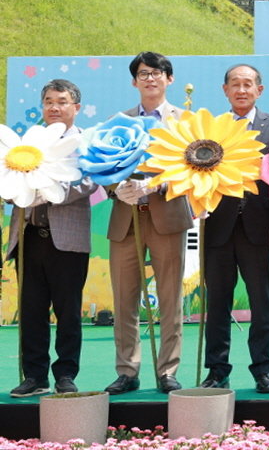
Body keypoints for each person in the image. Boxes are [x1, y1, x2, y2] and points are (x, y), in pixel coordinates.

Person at [200, 64, 269, 393]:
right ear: (225, 90)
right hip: (218, 228)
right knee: (217, 303)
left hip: (260, 227)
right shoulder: (211, 127)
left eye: (248, 84)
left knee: (261, 303)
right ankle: (217, 370)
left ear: (259, 90)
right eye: (235, 84)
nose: (241, 90)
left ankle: (263, 370)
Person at [106, 52, 194, 395]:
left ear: (169, 79)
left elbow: (193, 169)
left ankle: (168, 371)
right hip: (126, 219)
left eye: (157, 73)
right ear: (134, 81)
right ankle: (127, 371)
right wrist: (117, 189)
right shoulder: (119, 120)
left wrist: (156, 185)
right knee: (124, 299)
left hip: (167, 217)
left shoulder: (185, 121)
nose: (150, 79)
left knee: (170, 298)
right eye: (143, 74)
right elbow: (102, 167)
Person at [8, 80, 97, 397]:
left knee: (68, 311)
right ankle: (34, 376)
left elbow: (87, 184)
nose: (54, 107)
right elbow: (13, 179)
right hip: (29, 238)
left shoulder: (86, 144)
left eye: (62, 101)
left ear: (76, 107)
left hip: (67, 240)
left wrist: (43, 195)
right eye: (48, 101)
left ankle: (65, 375)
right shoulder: (29, 144)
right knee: (31, 311)